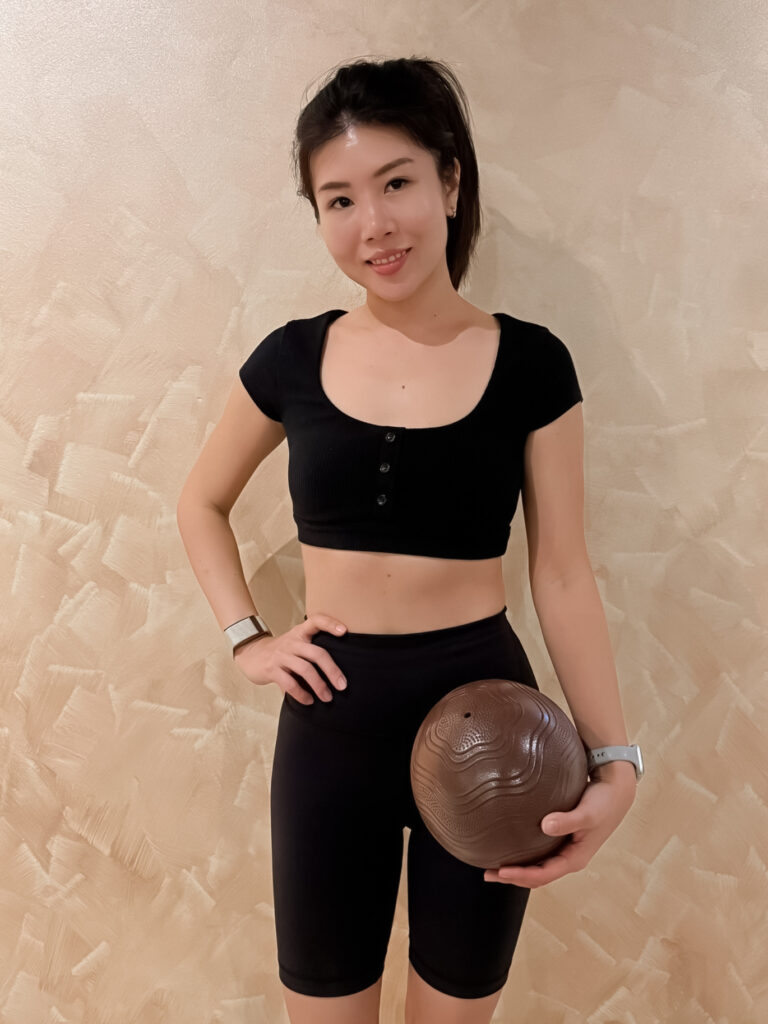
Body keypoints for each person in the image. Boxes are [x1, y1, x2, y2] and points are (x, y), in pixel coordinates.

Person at [177, 56, 639, 1024]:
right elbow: (200, 503)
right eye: (339, 199)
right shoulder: (291, 357)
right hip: (329, 722)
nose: (374, 224)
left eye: (396, 183)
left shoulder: (533, 364)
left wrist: (617, 759)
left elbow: (562, 573)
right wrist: (249, 640)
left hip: (493, 734)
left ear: (451, 182)